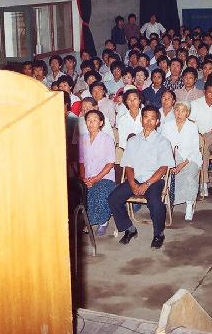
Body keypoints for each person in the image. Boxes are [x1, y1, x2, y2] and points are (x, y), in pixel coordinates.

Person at [107, 105, 174, 249]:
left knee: (155, 203)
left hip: (154, 180)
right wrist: (132, 183)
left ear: (157, 122)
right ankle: (129, 229)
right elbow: (129, 166)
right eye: (146, 117)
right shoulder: (132, 141)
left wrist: (147, 184)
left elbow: (163, 168)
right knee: (113, 198)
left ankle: (158, 234)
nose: (149, 121)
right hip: (135, 179)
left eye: (152, 118)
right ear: (141, 120)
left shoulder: (163, 142)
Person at [160, 101, 202, 220]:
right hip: (170, 158)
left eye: (183, 111)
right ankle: (168, 201)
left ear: (187, 113)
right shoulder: (167, 125)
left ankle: (189, 204)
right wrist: (170, 162)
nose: (179, 113)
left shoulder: (192, 126)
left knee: (189, 177)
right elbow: (164, 146)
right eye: (177, 110)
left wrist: (181, 165)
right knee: (164, 176)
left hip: (189, 159)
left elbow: (194, 149)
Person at [78, 110, 116, 236]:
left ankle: (103, 221)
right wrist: (84, 178)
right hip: (87, 177)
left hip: (105, 177)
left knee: (99, 191)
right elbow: (81, 162)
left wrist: (95, 179)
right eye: (89, 120)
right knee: (79, 192)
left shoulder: (107, 139)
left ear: (101, 123)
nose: (91, 123)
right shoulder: (82, 139)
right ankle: (85, 221)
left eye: (95, 120)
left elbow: (110, 163)